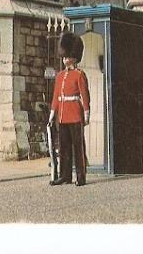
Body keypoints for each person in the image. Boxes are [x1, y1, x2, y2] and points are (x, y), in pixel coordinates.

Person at [48, 31, 90, 187]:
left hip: (75, 115)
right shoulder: (60, 76)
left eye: (68, 56)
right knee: (64, 148)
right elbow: (56, 97)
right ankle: (65, 175)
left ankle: (81, 176)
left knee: (77, 148)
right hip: (63, 116)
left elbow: (84, 95)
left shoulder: (79, 75)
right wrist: (52, 114)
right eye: (64, 56)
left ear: (74, 57)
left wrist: (86, 113)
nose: (65, 59)